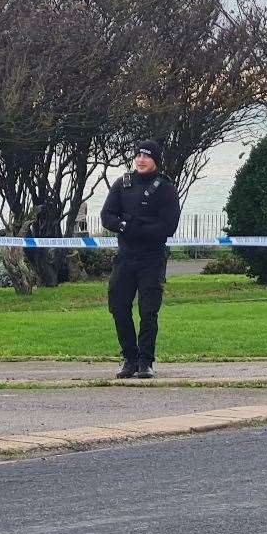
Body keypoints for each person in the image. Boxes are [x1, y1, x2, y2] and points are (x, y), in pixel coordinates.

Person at [100, 139, 181, 379]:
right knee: (118, 306)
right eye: (138, 156)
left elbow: (168, 226)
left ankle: (146, 361)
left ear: (155, 160)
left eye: (146, 156)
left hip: (152, 259)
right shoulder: (122, 184)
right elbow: (107, 216)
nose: (141, 160)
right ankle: (130, 358)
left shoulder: (165, 188)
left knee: (148, 311)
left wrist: (136, 226)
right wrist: (126, 225)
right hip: (125, 258)